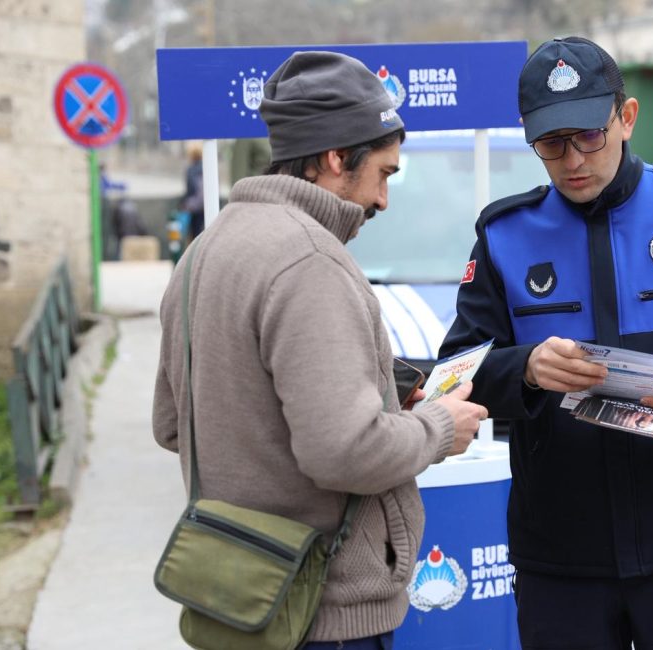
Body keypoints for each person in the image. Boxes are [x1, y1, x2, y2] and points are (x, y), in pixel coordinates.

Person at [439, 37, 653, 649]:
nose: (573, 159)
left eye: (589, 135)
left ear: (626, 118)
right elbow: (457, 373)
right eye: (551, 144)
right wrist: (526, 367)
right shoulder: (503, 235)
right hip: (561, 560)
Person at [152, 51, 489, 649]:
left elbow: (175, 423)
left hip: (238, 597)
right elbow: (344, 452)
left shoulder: (205, 250)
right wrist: (438, 427)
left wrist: (368, 401)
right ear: (335, 158)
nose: (384, 199)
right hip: (324, 614)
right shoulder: (309, 260)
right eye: (383, 173)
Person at [179, 141, 206, 240]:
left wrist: (184, 204)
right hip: (204, 205)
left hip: (194, 207)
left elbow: (190, 189)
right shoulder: (207, 167)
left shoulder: (191, 169)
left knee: (194, 235)